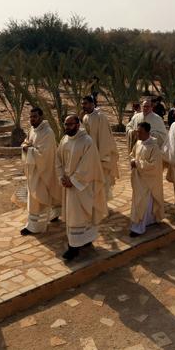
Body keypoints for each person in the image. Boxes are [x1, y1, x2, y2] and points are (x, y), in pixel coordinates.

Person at [55, 115, 108, 260]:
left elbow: (88, 165)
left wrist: (73, 180)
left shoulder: (87, 141)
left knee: (79, 215)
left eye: (69, 125)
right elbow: (58, 159)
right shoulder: (64, 140)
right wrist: (61, 177)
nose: (66, 127)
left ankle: (76, 246)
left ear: (78, 125)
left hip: (82, 186)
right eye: (65, 124)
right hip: (68, 185)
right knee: (73, 215)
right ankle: (76, 244)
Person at [20, 107, 62, 235]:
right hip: (34, 170)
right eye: (31, 117)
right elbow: (27, 142)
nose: (32, 119)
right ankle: (54, 214)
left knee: (38, 197)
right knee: (36, 196)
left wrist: (30, 149)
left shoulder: (47, 133)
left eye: (35, 117)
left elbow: (45, 154)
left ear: (41, 117)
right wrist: (26, 146)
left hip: (44, 170)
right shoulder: (32, 129)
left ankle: (35, 227)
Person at [128, 122, 165, 237]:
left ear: (147, 132)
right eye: (137, 131)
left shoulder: (154, 147)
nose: (137, 134)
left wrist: (137, 163)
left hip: (148, 181)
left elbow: (154, 166)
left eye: (140, 132)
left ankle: (138, 228)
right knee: (143, 203)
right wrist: (133, 160)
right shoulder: (138, 142)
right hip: (138, 179)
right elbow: (132, 154)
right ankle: (150, 220)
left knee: (142, 203)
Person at [81, 95, 120, 200]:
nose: (83, 106)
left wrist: (101, 156)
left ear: (92, 104)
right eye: (82, 104)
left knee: (102, 180)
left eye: (85, 103)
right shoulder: (85, 117)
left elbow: (105, 137)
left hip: (101, 156)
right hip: (89, 155)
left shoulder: (100, 117)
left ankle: (102, 205)